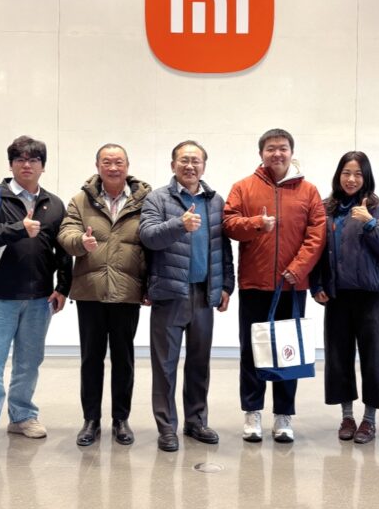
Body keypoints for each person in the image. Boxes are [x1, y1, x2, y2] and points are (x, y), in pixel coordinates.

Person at [0, 135, 72, 450]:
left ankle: (22, 416)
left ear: (43, 166)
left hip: (39, 297)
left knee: (29, 362)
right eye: (20, 159)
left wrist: (63, 287)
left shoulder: (54, 204)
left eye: (33, 160)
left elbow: (62, 250)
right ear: (11, 164)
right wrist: (18, 229)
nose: (27, 165)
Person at [223, 129, 326, 443]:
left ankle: (283, 415)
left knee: (288, 351)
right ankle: (252, 412)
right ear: (261, 154)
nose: (277, 154)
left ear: (291, 152)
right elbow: (229, 224)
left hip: (292, 286)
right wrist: (256, 224)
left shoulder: (308, 191)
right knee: (251, 351)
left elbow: (317, 234)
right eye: (270, 148)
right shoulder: (243, 187)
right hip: (254, 284)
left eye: (282, 148)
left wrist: (299, 268)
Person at [139, 140, 235, 452]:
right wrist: (179, 225)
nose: (190, 166)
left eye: (196, 161)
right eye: (184, 160)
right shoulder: (157, 198)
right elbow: (148, 237)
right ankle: (167, 427)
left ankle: (196, 421)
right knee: (165, 366)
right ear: (173, 165)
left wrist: (226, 285)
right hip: (170, 294)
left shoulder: (215, 200)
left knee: (199, 363)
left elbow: (223, 247)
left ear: (204, 166)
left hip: (204, 293)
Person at [58, 144, 151, 447]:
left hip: (127, 291)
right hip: (91, 292)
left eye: (118, 162)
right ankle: (91, 420)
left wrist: (149, 285)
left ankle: (121, 420)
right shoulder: (80, 200)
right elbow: (65, 234)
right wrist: (79, 242)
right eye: (107, 162)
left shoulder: (144, 201)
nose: (113, 167)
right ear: (97, 166)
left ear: (127, 166)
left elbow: (152, 245)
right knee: (91, 359)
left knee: (124, 359)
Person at [310, 151, 379, 444]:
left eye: (358, 174)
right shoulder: (327, 208)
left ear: (366, 177)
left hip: (371, 296)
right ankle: (347, 416)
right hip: (337, 296)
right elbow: (316, 249)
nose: (351, 179)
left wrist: (370, 222)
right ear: (338, 176)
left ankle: (369, 420)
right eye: (346, 173)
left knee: (374, 359)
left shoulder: (378, 208)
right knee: (338, 358)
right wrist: (316, 284)